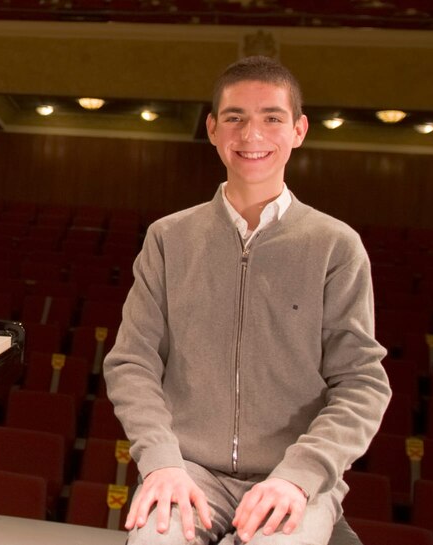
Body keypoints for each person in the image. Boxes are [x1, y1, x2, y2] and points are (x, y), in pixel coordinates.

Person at [102, 55, 391, 545]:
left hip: (290, 477)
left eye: (271, 118)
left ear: (298, 130)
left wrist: (299, 475)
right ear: (213, 129)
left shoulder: (336, 245)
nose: (251, 135)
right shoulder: (168, 238)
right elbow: (132, 362)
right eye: (235, 117)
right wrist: (161, 464)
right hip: (189, 472)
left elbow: (362, 384)